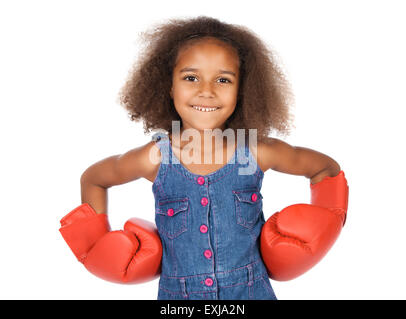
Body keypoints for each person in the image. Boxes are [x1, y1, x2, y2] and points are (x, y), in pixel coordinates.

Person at [59, 16, 349, 300]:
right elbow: (94, 179)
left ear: (242, 90)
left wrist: (326, 226)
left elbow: (325, 168)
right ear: (169, 86)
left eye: (223, 79)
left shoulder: (255, 152)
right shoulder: (157, 158)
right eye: (191, 77)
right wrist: (95, 245)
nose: (206, 91)